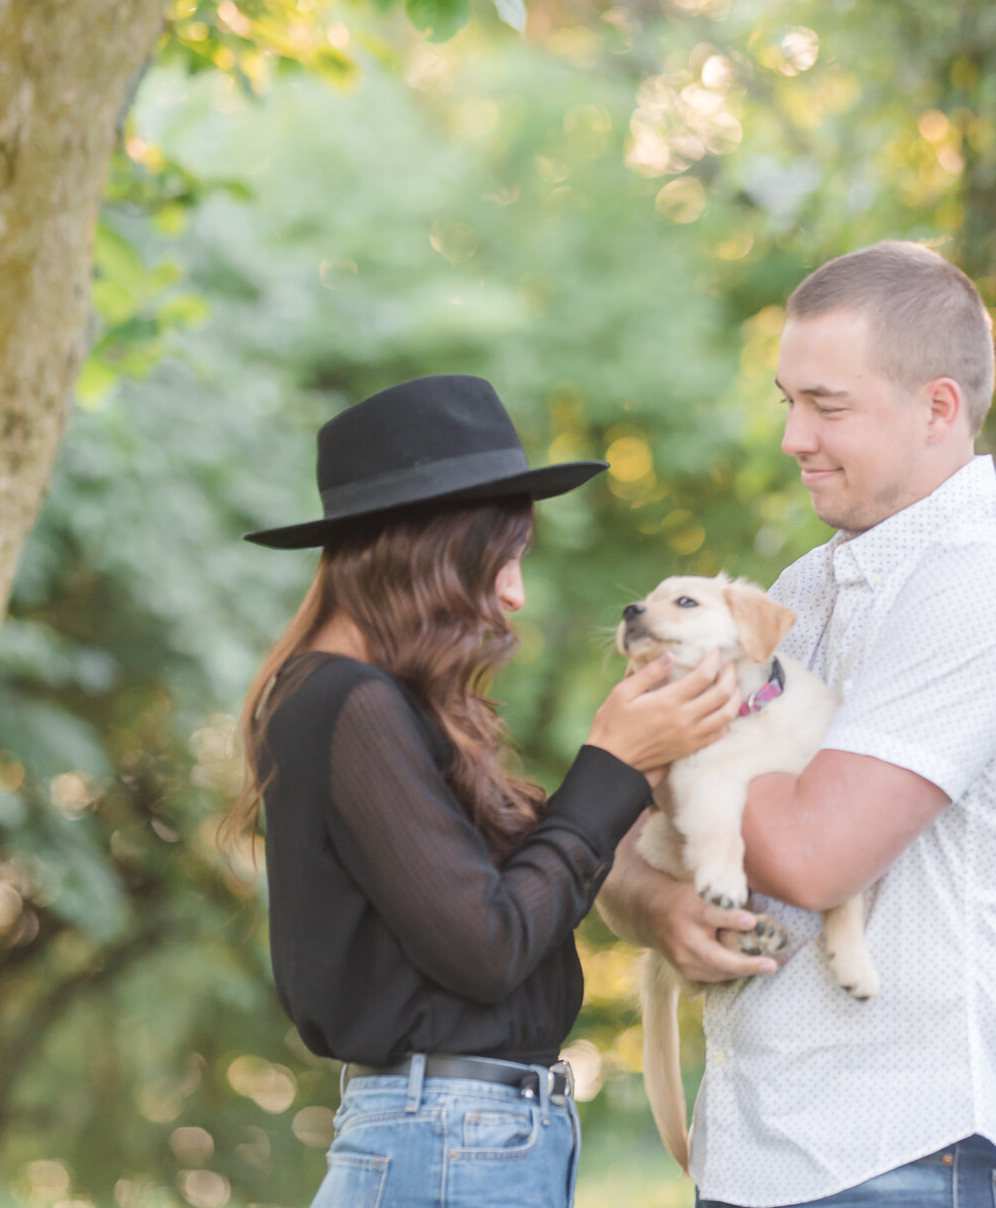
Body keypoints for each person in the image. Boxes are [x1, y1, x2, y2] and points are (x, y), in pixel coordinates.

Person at [598, 242, 996, 1208]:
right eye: (787, 400)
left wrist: (658, 734)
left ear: (938, 408)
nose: (793, 436)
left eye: (827, 406)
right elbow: (618, 849)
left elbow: (815, 854)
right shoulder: (800, 591)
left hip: (910, 1157)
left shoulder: (987, 581)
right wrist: (660, 908)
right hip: (753, 1156)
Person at [232, 374, 752, 1208]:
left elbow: (508, 907)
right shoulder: (345, 703)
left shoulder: (370, 705)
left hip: (464, 1141)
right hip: (446, 1141)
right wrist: (609, 763)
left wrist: (644, 776)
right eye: (500, 557)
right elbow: (488, 944)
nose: (514, 592)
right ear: (423, 545)